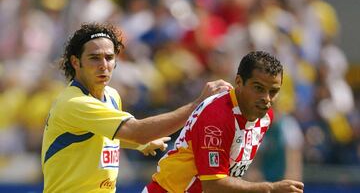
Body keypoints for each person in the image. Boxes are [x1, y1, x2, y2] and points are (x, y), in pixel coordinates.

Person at [40, 22, 232, 193]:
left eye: (109, 57)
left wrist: (138, 144)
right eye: (94, 58)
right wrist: (197, 105)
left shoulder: (111, 96)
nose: (103, 65)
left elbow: (101, 134)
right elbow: (138, 131)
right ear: (76, 62)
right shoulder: (75, 103)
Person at [142, 51, 305, 193]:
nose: (266, 99)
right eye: (258, 88)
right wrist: (269, 189)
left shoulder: (265, 115)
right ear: (239, 82)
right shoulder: (217, 115)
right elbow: (213, 185)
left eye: (273, 91)